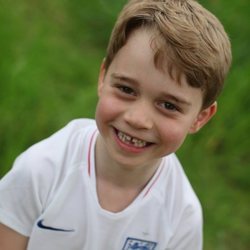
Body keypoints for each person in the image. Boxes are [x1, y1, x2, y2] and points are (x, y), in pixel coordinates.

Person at [0, 0, 231, 249]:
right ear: (103, 76)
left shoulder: (182, 217)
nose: (137, 119)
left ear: (200, 117)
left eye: (169, 106)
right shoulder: (40, 172)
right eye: (126, 89)